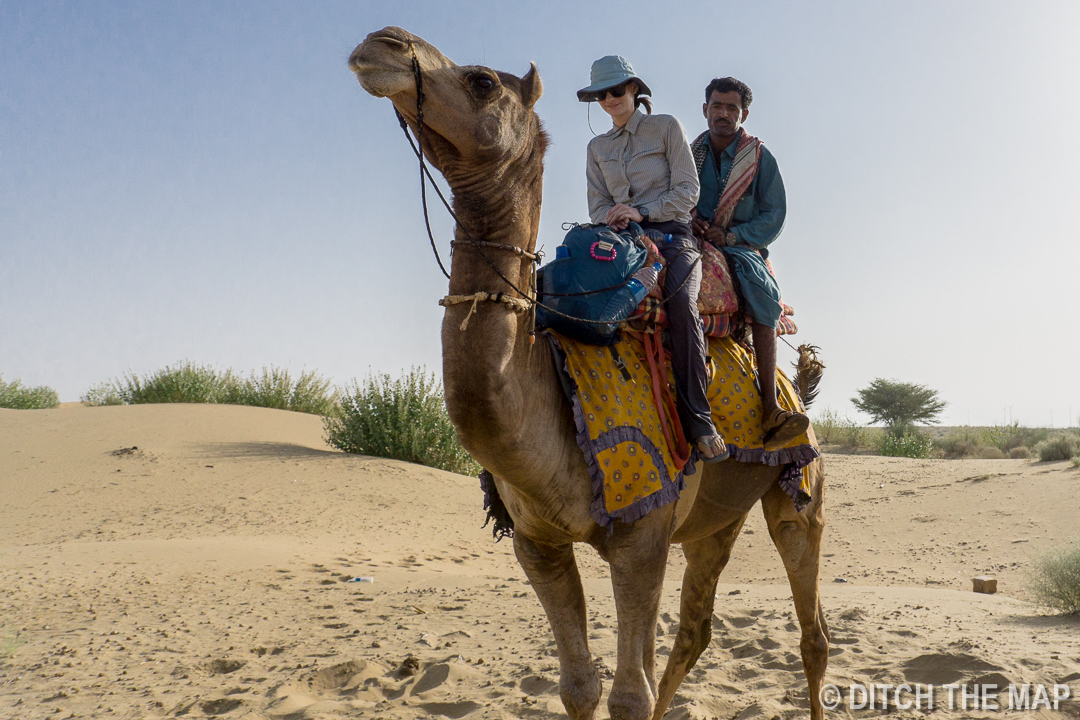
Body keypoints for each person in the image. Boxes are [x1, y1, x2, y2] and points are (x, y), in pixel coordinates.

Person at [578, 55, 728, 462]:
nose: (609, 100)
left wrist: (642, 212)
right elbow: (597, 207)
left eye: (616, 90)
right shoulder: (596, 148)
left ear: (633, 90)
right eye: (601, 94)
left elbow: (687, 191)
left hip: (674, 235)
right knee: (570, 291)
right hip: (623, 241)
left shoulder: (665, 127)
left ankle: (699, 420)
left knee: (681, 305)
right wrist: (617, 221)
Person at [689, 76, 809, 449]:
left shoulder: (759, 157)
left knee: (758, 288)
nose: (723, 114)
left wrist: (733, 237)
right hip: (692, 238)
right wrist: (689, 219)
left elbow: (774, 215)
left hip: (742, 245)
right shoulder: (690, 154)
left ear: (744, 114)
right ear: (705, 108)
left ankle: (770, 405)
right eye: (717, 106)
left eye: (732, 108)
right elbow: (676, 194)